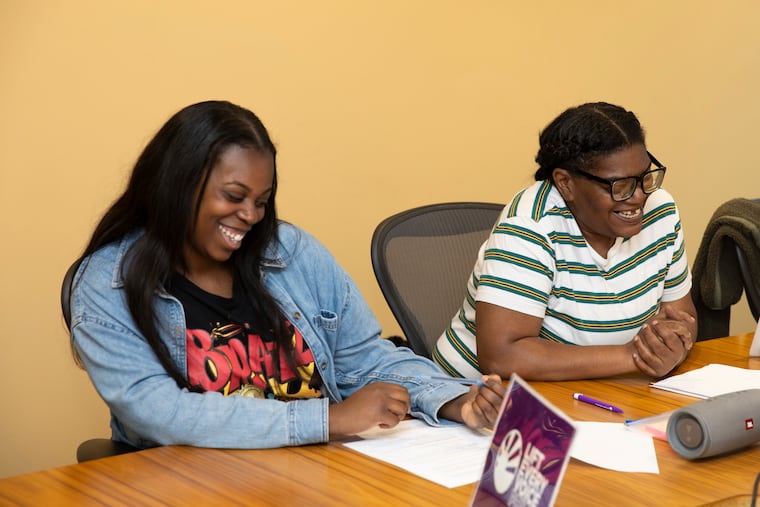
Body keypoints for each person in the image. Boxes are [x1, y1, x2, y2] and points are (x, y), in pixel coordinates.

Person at [68, 100, 505, 450]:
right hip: (190, 485)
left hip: (320, 472)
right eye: (234, 196)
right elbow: (158, 412)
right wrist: (328, 419)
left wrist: (452, 399)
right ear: (177, 184)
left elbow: (366, 358)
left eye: (262, 200)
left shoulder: (292, 252)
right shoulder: (107, 283)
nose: (250, 216)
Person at [433, 102, 698, 381]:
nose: (638, 196)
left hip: (596, 391)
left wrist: (674, 347)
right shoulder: (530, 226)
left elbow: (681, 316)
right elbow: (503, 356)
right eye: (619, 186)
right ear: (565, 183)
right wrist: (633, 356)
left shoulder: (660, 210)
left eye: (645, 177)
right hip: (476, 401)